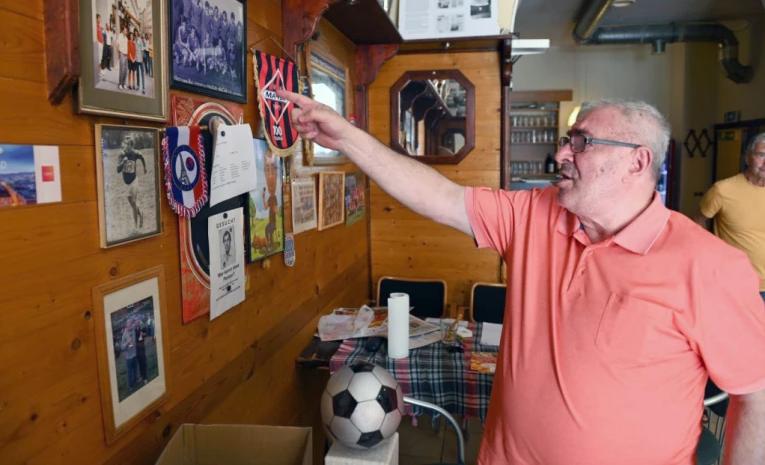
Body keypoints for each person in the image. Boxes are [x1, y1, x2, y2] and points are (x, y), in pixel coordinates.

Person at [277, 89, 765, 465]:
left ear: (637, 161)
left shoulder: (710, 266)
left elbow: (756, 398)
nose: (562, 155)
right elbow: (441, 197)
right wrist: (347, 137)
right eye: (567, 141)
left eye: (582, 143)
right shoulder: (537, 212)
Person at [696, 132, 765, 302]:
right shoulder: (723, 190)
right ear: (747, 158)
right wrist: (711, 255)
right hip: (737, 284)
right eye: (761, 155)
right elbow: (698, 222)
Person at [117, 135, 146, 230]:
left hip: (134, 181)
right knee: (132, 204)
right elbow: (117, 170)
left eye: (128, 144)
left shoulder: (135, 153)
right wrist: (123, 163)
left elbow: (142, 157)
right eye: (125, 143)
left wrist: (144, 167)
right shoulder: (121, 154)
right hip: (126, 184)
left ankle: (135, 227)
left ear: (132, 145)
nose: (126, 146)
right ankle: (141, 215)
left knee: (133, 201)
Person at [120, 317, 137, 393]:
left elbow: (138, 325)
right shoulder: (124, 335)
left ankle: (135, 381)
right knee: (129, 373)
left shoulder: (133, 330)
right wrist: (127, 343)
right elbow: (122, 347)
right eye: (128, 322)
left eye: (130, 322)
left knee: (135, 370)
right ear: (126, 324)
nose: (130, 323)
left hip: (134, 355)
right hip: (129, 357)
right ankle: (130, 386)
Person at [135, 316, 148, 385]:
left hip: (142, 348)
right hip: (137, 349)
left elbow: (146, 333)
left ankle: (145, 378)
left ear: (139, 320)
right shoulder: (134, 329)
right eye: (135, 320)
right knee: (139, 363)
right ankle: (141, 376)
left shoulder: (142, 327)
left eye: (137, 320)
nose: (136, 321)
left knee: (143, 363)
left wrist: (143, 334)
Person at [117, 25, 129, 90]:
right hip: (122, 53)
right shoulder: (120, 36)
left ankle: (124, 83)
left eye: (126, 31)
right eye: (125, 31)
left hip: (126, 54)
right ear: (122, 30)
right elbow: (117, 45)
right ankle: (120, 84)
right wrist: (118, 54)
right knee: (122, 70)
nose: (126, 32)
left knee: (126, 70)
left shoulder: (126, 38)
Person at [134, 30, 145, 94]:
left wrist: (142, 58)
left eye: (136, 33)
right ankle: (138, 86)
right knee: (137, 73)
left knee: (142, 74)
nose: (136, 34)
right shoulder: (134, 40)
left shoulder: (140, 40)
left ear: (138, 33)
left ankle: (143, 88)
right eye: (135, 33)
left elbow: (142, 50)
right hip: (136, 59)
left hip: (140, 60)